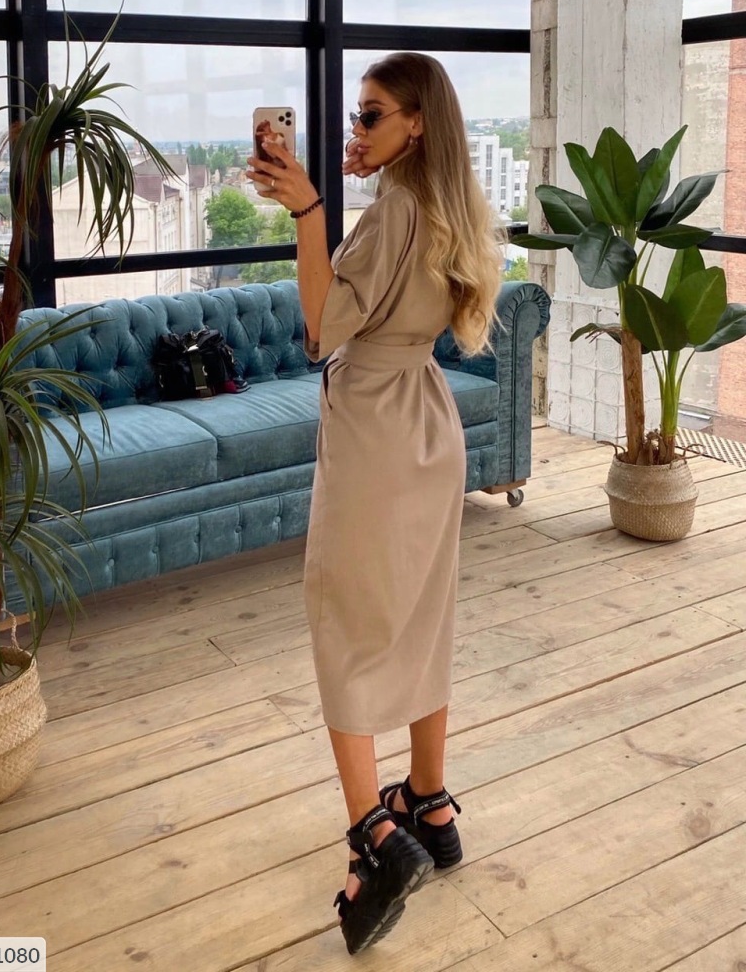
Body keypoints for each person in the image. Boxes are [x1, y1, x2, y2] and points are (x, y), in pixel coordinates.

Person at [246, 52, 500, 955]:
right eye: (355, 117)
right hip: (428, 421)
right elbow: (404, 293)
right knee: (423, 616)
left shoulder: (393, 209)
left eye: (370, 116)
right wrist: (365, 182)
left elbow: (323, 328)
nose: (355, 130)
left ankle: (376, 835)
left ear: (416, 122)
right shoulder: (446, 200)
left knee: (347, 623)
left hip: (374, 431)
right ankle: (430, 804)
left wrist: (309, 212)